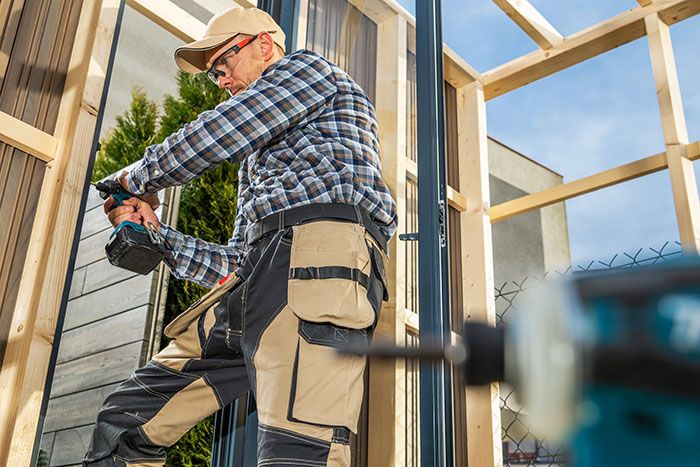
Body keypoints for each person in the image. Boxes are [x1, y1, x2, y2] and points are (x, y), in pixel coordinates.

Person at [83, 6, 397, 467]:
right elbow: (238, 262)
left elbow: (220, 131)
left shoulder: (308, 72)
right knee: (126, 424)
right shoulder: (261, 163)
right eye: (214, 77)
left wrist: (134, 177)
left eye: (223, 66)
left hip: (319, 261)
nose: (222, 83)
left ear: (264, 45)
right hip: (259, 278)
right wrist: (159, 236)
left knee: (298, 454)